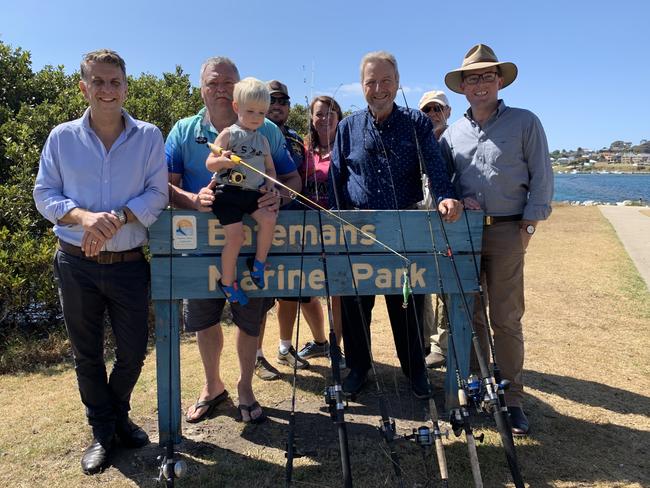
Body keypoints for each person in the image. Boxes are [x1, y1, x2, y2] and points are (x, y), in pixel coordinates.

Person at [33, 49, 168, 475]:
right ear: (84, 86)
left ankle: (117, 415)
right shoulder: (61, 137)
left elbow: (157, 193)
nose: (107, 90)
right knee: (86, 355)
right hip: (76, 264)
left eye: (115, 82)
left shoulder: (148, 136)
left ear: (126, 86)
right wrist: (85, 218)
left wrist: (119, 217)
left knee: (133, 352)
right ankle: (104, 431)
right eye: (99, 82)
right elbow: (44, 194)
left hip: (129, 262)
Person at [165, 57, 301, 423]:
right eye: (214, 83)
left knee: (249, 320)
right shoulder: (182, 130)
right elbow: (163, 184)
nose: (222, 89)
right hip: (198, 248)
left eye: (229, 82)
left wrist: (279, 196)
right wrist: (191, 200)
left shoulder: (266, 128)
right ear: (202, 88)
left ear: (240, 90)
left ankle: (245, 387)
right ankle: (212, 386)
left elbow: (292, 181)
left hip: (252, 240)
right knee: (204, 321)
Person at [329, 51, 463, 398]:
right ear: (362, 86)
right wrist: (338, 223)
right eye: (371, 82)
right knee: (356, 308)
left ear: (398, 82)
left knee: (407, 305)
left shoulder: (416, 123)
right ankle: (359, 368)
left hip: (404, 226)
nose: (379, 88)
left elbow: (434, 165)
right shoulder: (347, 128)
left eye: (386, 80)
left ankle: (415, 370)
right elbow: (337, 180)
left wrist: (446, 195)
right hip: (357, 230)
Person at [440, 44, 554, 435]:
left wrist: (528, 227)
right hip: (466, 233)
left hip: (509, 229)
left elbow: (542, 176)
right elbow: (441, 183)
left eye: (487, 75)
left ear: (500, 80)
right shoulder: (452, 134)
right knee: (469, 316)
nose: (480, 83)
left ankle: (511, 398)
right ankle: (476, 385)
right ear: (463, 87)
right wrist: (451, 197)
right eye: (473, 77)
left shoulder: (525, 122)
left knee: (505, 318)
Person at [207, 77, 278, 305]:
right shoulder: (228, 134)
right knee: (236, 237)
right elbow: (209, 163)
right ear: (236, 107)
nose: (257, 118)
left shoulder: (264, 140)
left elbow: (270, 170)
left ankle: (258, 264)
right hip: (227, 194)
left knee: (268, 219)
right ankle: (227, 283)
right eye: (251, 111)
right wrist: (223, 162)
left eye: (261, 113)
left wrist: (270, 184)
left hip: (251, 194)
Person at [418, 90, 453, 369]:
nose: (432, 115)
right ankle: (425, 343)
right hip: (418, 223)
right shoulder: (414, 142)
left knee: (445, 290)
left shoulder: (455, 142)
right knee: (420, 287)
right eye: (427, 110)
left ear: (448, 111)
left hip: (448, 225)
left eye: (437, 109)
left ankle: (442, 346)